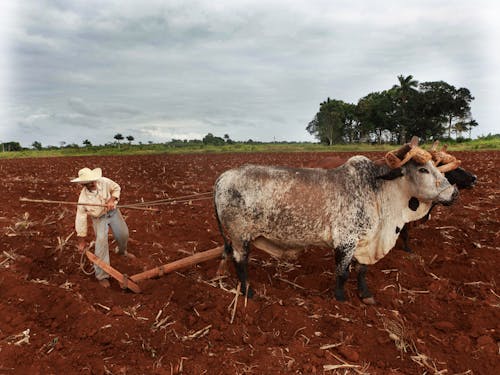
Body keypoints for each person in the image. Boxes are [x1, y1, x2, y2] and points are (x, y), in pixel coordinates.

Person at [71, 167, 133, 288]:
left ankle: (122, 251)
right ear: (84, 184)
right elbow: (81, 220)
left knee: (123, 234)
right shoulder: (83, 200)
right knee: (101, 244)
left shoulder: (104, 181)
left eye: (94, 181)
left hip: (113, 212)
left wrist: (112, 199)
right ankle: (102, 276)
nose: (94, 183)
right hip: (99, 219)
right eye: (90, 183)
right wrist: (81, 241)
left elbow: (116, 188)